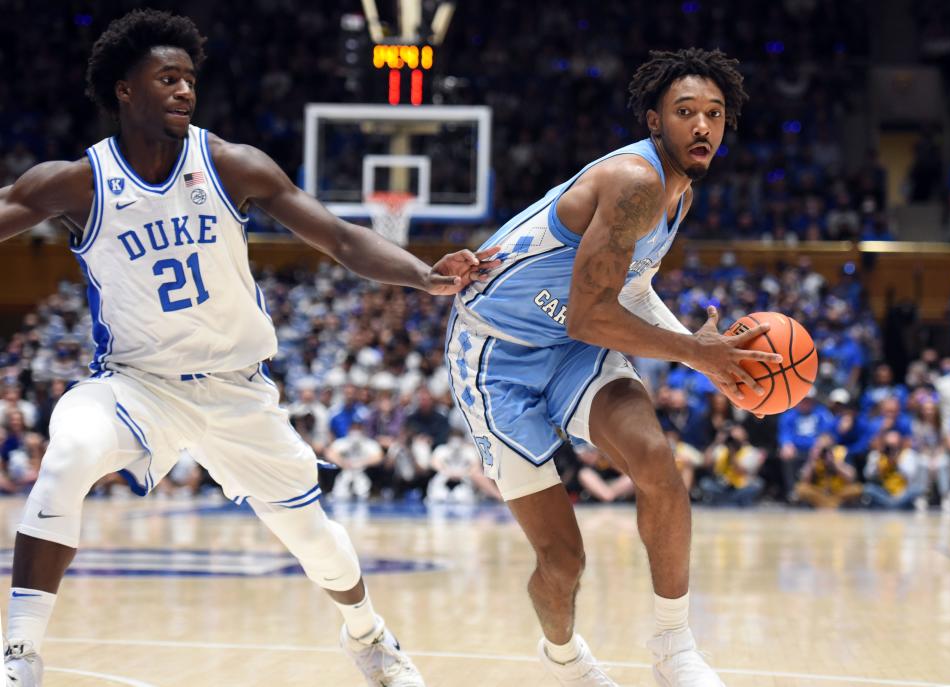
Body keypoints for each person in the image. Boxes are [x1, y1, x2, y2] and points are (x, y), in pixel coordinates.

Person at [0, 10, 499, 687]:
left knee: (316, 541)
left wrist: (420, 272)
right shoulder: (80, 181)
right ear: (125, 89)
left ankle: (369, 635)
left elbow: (340, 237)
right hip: (137, 385)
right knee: (69, 451)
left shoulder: (230, 163)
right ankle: (19, 656)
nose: (183, 91)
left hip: (238, 392)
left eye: (189, 79)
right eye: (166, 78)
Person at [446, 48, 780, 687]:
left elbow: (624, 292)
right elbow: (587, 317)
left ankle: (673, 645)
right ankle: (565, 657)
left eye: (714, 114)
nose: (703, 127)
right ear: (655, 121)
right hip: (495, 357)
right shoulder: (636, 183)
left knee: (656, 460)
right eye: (686, 113)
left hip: (573, 346)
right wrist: (693, 353)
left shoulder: (677, 194)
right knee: (563, 561)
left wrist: (696, 351)